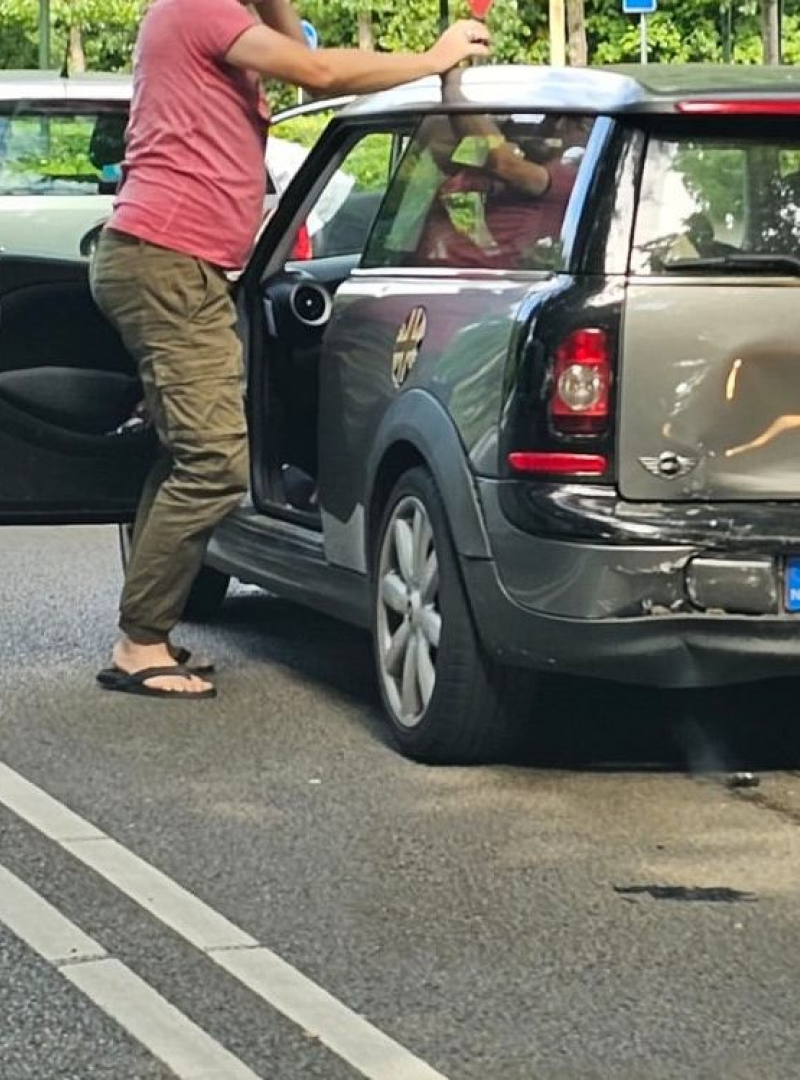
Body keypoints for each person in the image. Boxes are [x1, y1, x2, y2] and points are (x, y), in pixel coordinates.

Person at [90, 0, 490, 699]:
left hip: (172, 260)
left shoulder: (200, 16)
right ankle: (139, 642)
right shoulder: (198, 8)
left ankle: (145, 629)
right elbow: (320, 70)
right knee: (215, 461)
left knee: (187, 453)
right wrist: (433, 58)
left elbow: (303, 80)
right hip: (168, 260)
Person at [412, 72, 592, 270]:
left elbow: (503, 163)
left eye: (552, 120)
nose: (543, 129)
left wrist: (451, 91)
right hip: (427, 279)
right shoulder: (460, 177)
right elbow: (442, 142)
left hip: (498, 285)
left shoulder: (567, 178)